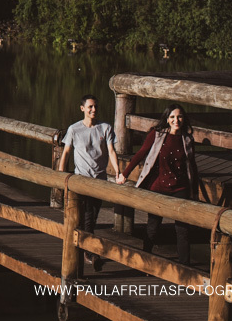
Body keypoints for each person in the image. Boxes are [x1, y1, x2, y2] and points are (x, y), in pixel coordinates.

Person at [116, 104, 204, 265]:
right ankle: (145, 260)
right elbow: (140, 153)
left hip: (180, 187)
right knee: (153, 225)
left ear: (184, 119)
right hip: (159, 186)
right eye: (172, 117)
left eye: (179, 117)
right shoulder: (157, 135)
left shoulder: (187, 139)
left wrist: (195, 192)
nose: (176, 120)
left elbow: (192, 166)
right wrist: (124, 174)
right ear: (167, 119)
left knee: (182, 229)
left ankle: (185, 266)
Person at [57, 94, 118, 270]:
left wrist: (119, 173)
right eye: (90, 107)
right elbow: (66, 152)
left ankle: (83, 248)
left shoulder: (105, 128)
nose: (93, 110)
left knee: (92, 216)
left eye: (95, 107)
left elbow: (112, 152)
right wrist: (61, 175)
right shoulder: (74, 129)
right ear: (82, 108)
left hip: (100, 180)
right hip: (81, 180)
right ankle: (90, 254)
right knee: (88, 217)